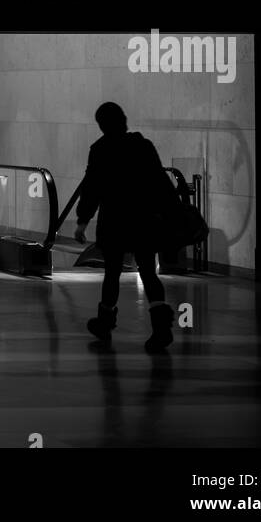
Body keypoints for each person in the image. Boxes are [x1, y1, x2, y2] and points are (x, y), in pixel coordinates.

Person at [73, 102, 178, 351]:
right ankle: (161, 327)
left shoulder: (100, 150)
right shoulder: (143, 146)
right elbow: (160, 183)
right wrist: (171, 214)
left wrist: (82, 220)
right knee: (148, 272)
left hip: (114, 220)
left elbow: (92, 187)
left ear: (101, 125)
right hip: (144, 219)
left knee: (112, 273)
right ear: (124, 119)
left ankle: (105, 321)